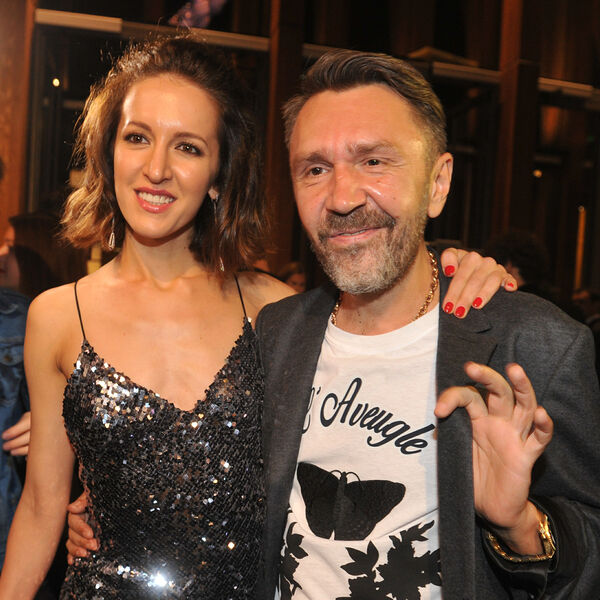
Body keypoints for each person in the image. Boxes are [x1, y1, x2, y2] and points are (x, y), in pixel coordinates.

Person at [0, 37, 506, 599]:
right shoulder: (56, 315)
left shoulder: (273, 310)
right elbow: (42, 505)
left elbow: (388, 312)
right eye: (137, 137)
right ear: (108, 153)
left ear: (219, 174)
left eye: (188, 147)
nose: (156, 168)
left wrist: (455, 267)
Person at [251, 51, 599, 599]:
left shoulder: (538, 344)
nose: (341, 198)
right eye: (315, 169)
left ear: (438, 183)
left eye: (374, 161)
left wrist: (521, 525)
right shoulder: (277, 333)